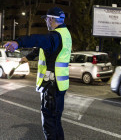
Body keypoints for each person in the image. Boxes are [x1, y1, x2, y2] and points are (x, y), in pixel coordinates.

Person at [4, 7, 72, 140]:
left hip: (51, 87)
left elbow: (38, 40)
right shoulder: (65, 34)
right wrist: (27, 57)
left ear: (51, 19)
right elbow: (41, 47)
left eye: (47, 18)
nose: (46, 21)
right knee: (56, 123)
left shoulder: (54, 37)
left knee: (50, 125)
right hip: (59, 86)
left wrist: (18, 43)